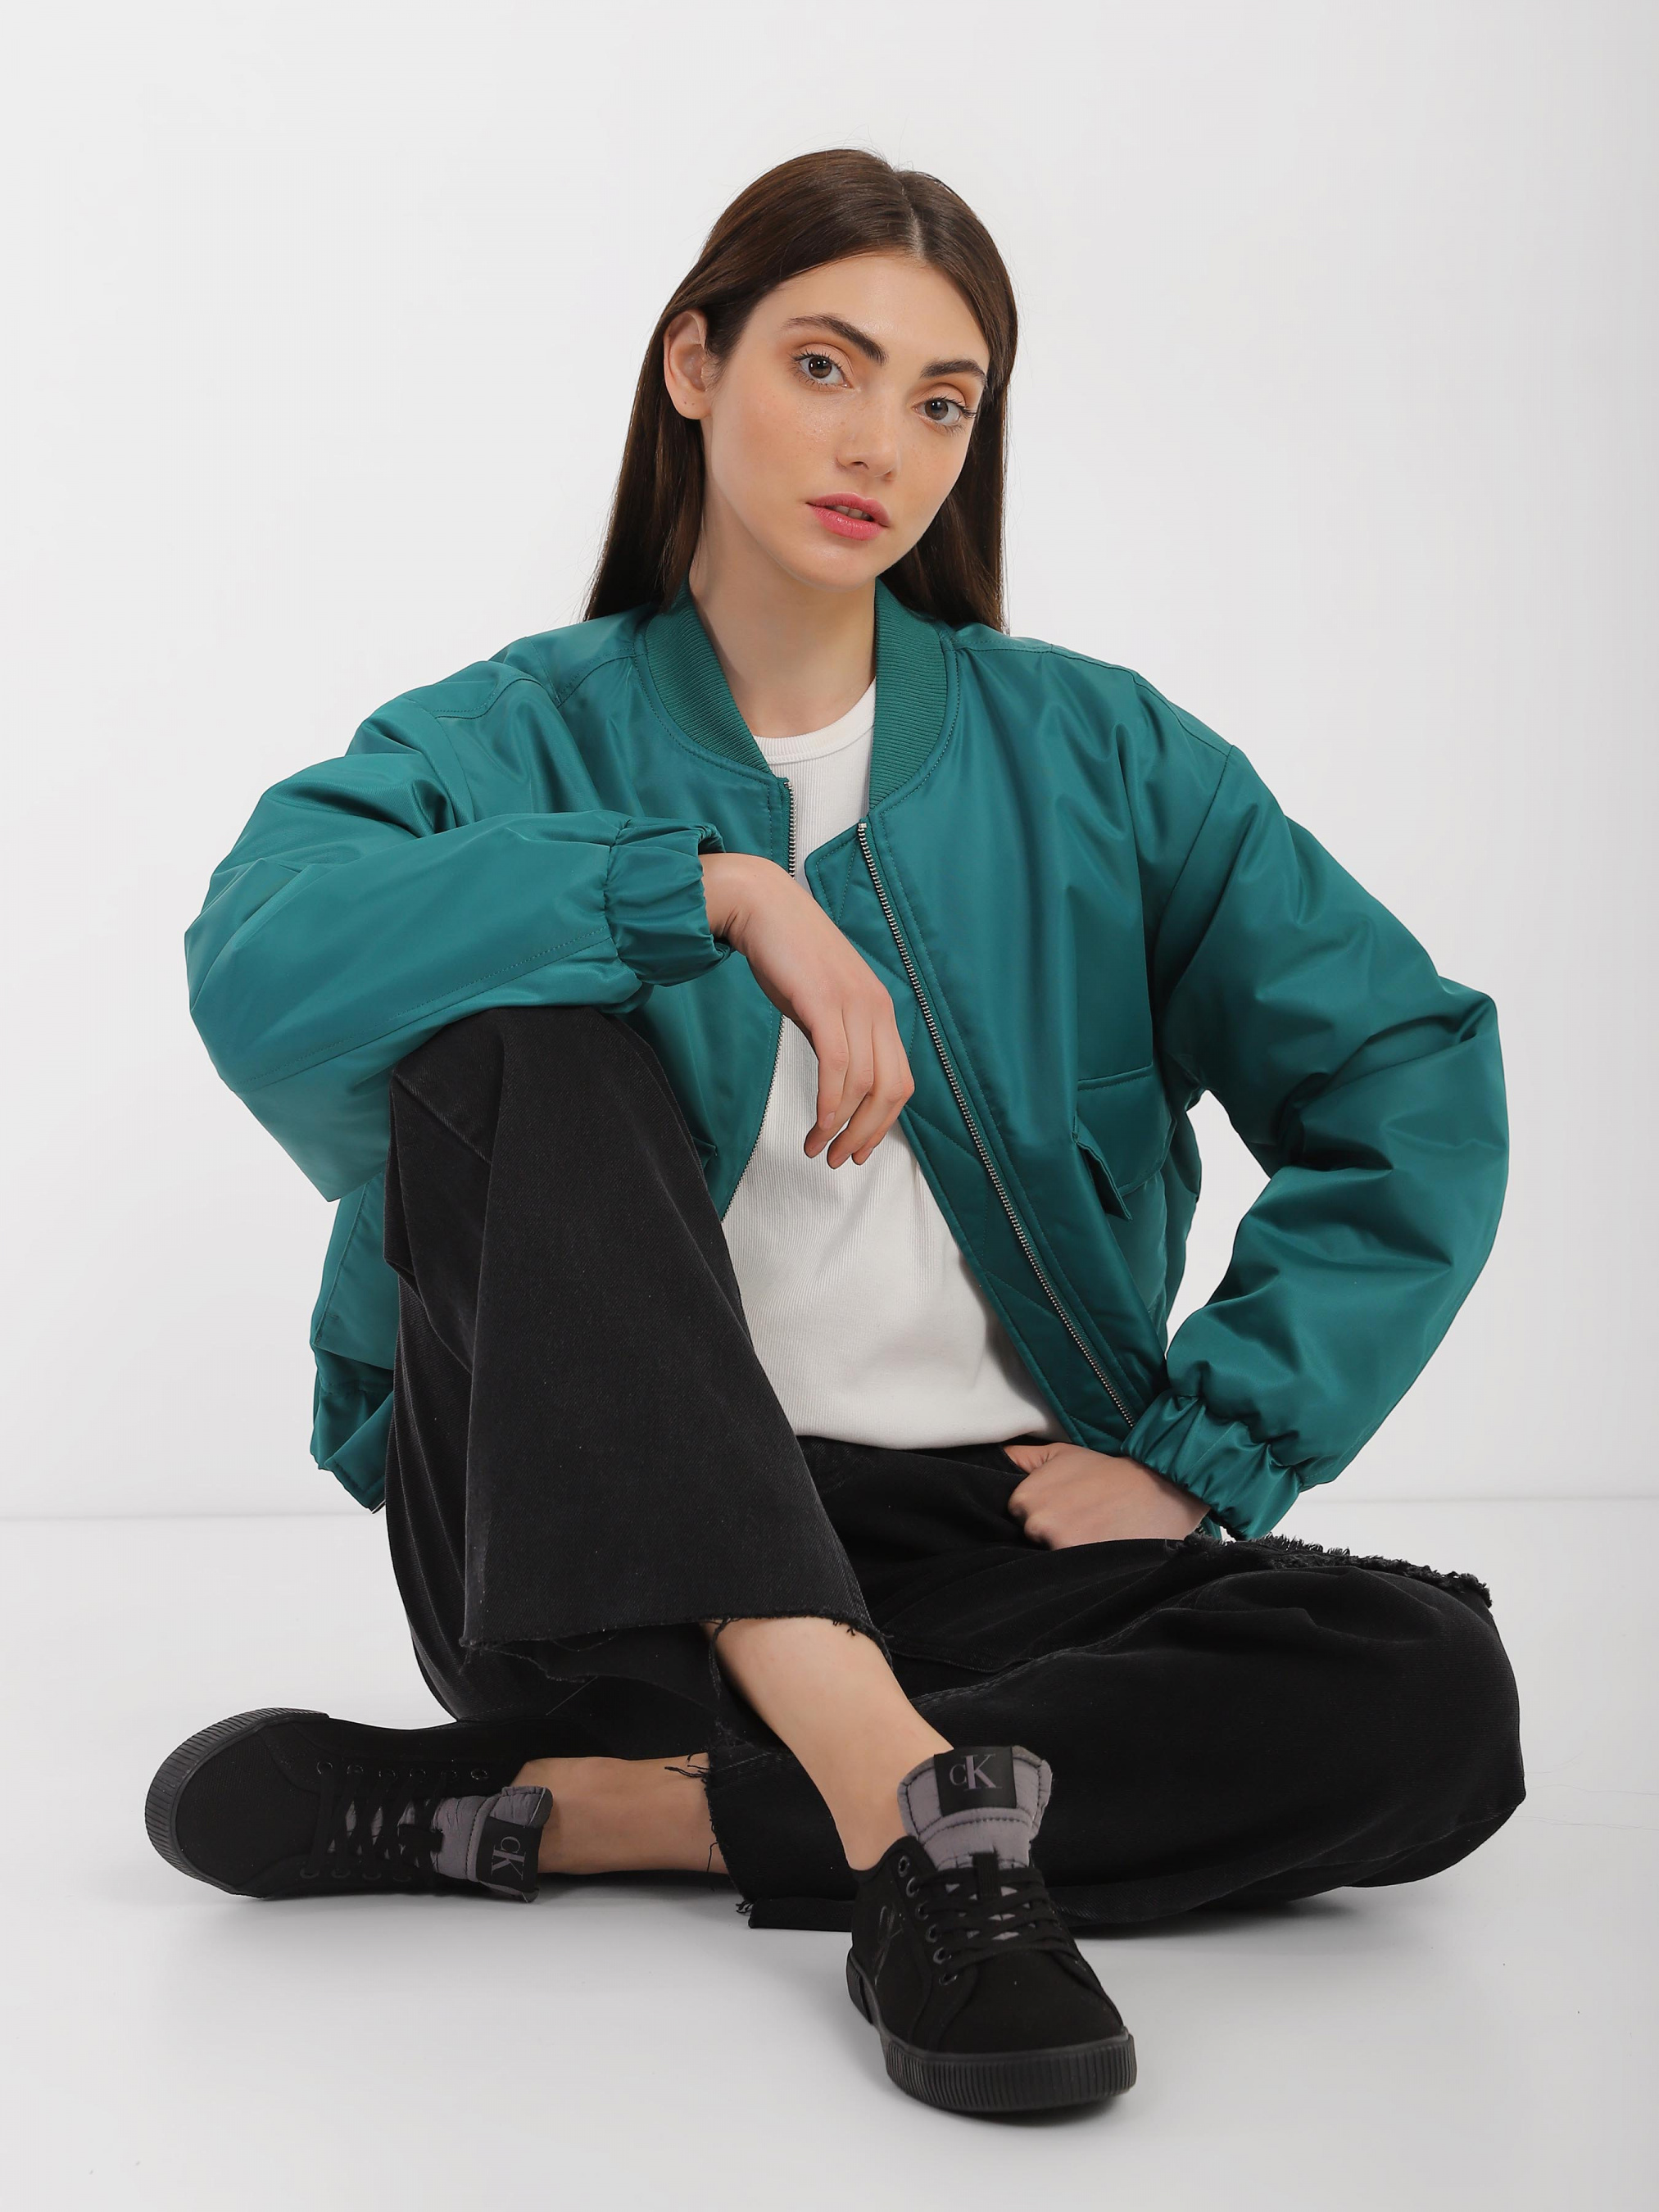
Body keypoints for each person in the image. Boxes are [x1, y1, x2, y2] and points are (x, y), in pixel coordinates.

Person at [146, 148, 1524, 2117]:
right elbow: (260, 959)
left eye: (941, 400)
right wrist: (699, 892)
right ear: (692, 366)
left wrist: (1205, 1452)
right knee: (528, 1037)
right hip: (586, 1552)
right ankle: (911, 1831)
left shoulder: (1103, 760)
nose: (881, 442)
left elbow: (1403, 1071)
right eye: (824, 364)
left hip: (976, 1539)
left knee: (1427, 1685)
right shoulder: (500, 742)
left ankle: (618, 1816)